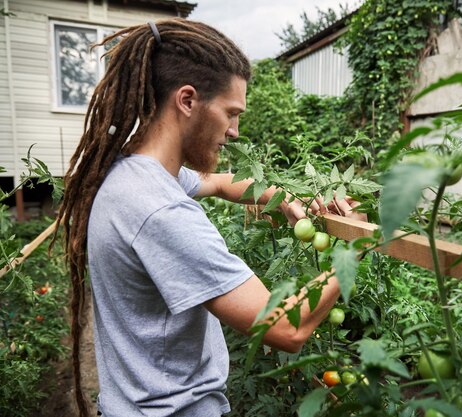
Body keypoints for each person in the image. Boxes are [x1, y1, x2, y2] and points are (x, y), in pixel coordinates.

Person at [52, 18, 364, 417]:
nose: (235, 131)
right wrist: (360, 246)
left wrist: (281, 198)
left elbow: (217, 182)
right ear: (187, 100)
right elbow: (286, 327)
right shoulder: (162, 211)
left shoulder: (132, 173)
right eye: (231, 112)